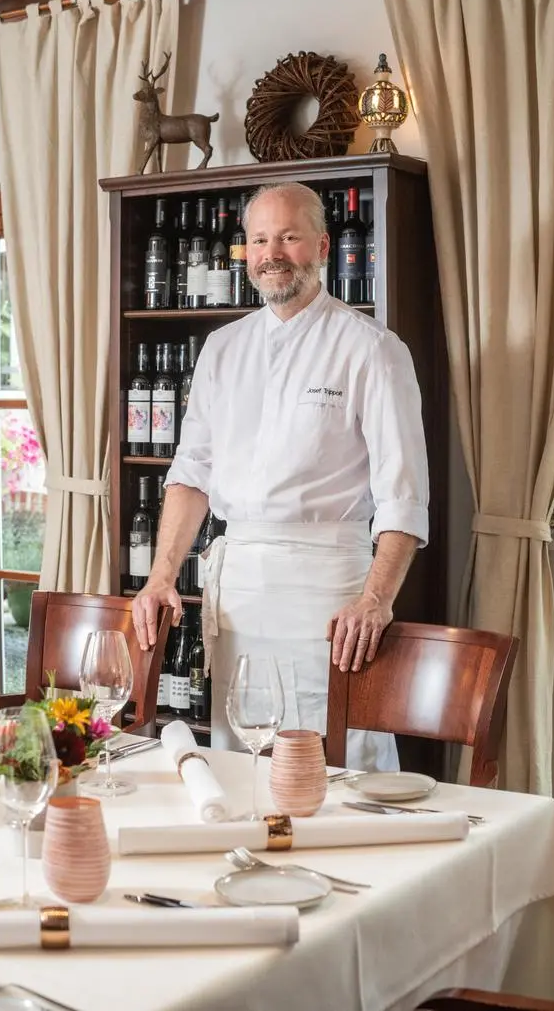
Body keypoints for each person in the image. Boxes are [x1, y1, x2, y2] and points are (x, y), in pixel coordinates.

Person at [132, 182, 428, 770]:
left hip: (329, 600)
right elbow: (192, 472)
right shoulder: (221, 348)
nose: (272, 252)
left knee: (337, 764)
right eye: (260, 238)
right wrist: (161, 574)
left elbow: (405, 498)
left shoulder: (372, 348)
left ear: (321, 245)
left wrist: (376, 600)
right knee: (240, 763)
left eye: (288, 237)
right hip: (237, 594)